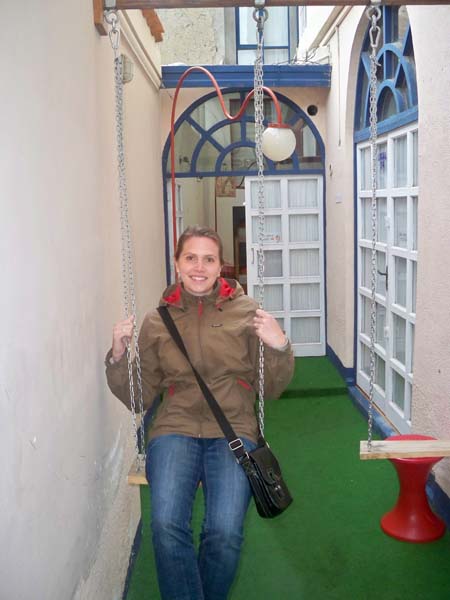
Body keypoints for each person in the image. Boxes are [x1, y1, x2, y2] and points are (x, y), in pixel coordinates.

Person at [105, 225, 294, 600]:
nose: (199, 267)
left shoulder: (248, 312)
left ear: (221, 266)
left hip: (233, 429)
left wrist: (279, 346)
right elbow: (140, 396)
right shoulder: (157, 320)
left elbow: (271, 388)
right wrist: (118, 356)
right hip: (175, 428)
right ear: (177, 263)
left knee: (224, 532)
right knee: (166, 524)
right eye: (190, 257)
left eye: (209, 259)